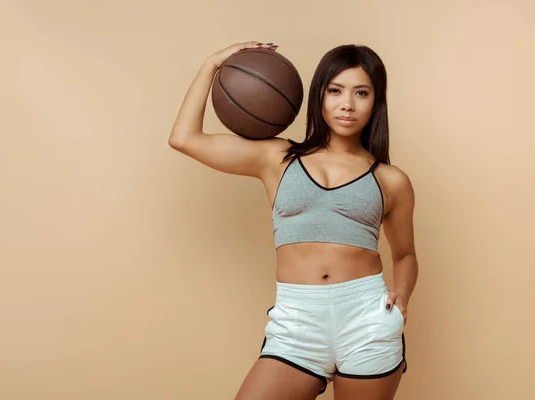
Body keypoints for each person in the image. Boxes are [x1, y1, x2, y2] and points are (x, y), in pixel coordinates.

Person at [168, 41, 419, 400]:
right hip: (297, 321)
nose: (347, 104)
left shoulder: (391, 179)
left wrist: (403, 299)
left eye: (361, 93)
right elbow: (183, 138)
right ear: (319, 95)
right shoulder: (277, 158)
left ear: (375, 102)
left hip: (366, 319)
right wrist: (212, 64)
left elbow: (405, 254)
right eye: (335, 91)